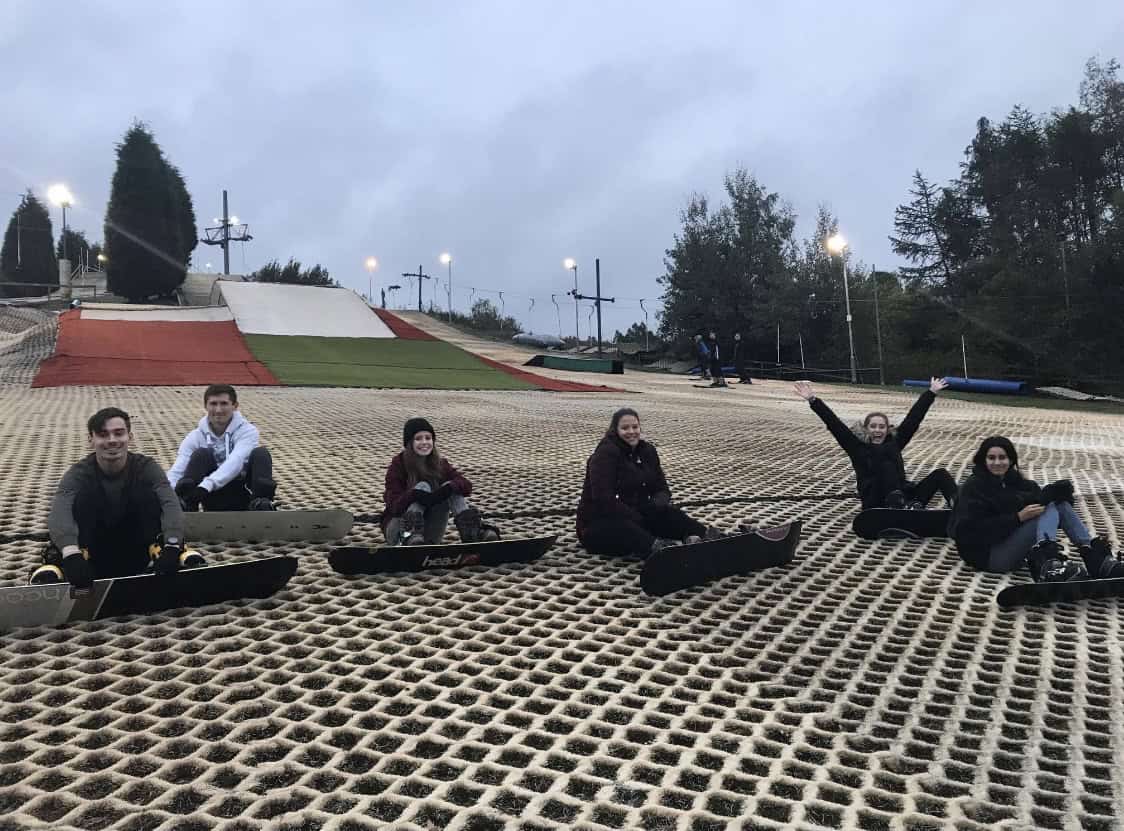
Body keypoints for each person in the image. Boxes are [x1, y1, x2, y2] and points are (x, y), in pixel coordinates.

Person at [31, 407, 200, 587]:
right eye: (103, 434)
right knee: (81, 498)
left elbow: (170, 503)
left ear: (130, 437)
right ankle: (59, 563)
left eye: (118, 433)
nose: (112, 440)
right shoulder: (78, 473)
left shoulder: (147, 467)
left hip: (140, 548)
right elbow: (60, 510)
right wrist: (71, 553)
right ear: (91, 439)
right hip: (92, 555)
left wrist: (172, 545)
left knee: (148, 494)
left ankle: (168, 552)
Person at [948, 436, 1124, 582]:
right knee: (1046, 509)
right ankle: (1047, 565)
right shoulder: (974, 488)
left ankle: (1095, 558)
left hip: (1009, 545)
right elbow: (968, 532)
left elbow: (1040, 500)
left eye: (1002, 457)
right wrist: (1017, 518)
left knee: (1057, 504)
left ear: (1011, 460)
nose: (997, 462)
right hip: (988, 556)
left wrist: (1059, 494)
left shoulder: (1015, 482)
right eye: (991, 458)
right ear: (983, 460)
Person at [793, 378, 957, 510]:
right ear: (866, 429)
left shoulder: (895, 443)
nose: (877, 430)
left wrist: (931, 392)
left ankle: (958, 506)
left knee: (940, 474)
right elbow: (835, 424)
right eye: (873, 426)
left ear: (887, 429)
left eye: (881, 427)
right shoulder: (857, 447)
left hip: (905, 497)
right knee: (886, 465)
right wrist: (813, 400)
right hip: (875, 499)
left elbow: (913, 420)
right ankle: (899, 505)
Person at [577, 408, 719, 557]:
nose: (631, 432)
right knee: (627, 528)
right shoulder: (605, 455)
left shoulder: (647, 451)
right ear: (615, 430)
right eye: (625, 428)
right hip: (600, 524)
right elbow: (603, 499)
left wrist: (656, 506)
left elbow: (662, 488)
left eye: (635, 427)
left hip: (637, 515)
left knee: (672, 514)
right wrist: (636, 517)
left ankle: (708, 538)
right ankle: (662, 552)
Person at [383, 417, 500, 545]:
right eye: (418, 438)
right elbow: (393, 506)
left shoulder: (440, 464)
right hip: (398, 531)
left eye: (428, 438)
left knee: (452, 486)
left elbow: (466, 485)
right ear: (409, 442)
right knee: (423, 486)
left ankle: (473, 533)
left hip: (428, 532)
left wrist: (448, 488)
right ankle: (410, 534)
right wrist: (414, 494)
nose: (424, 442)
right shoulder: (398, 466)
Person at [168, 384, 277, 512]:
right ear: (206, 406)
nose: (218, 410)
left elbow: (236, 461)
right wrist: (166, 494)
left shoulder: (248, 431)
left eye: (224, 403)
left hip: (242, 495)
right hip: (210, 496)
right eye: (213, 404)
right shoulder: (195, 436)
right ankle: (186, 505)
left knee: (261, 453)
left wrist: (206, 485)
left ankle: (261, 503)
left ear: (235, 406)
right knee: (201, 454)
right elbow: (178, 469)